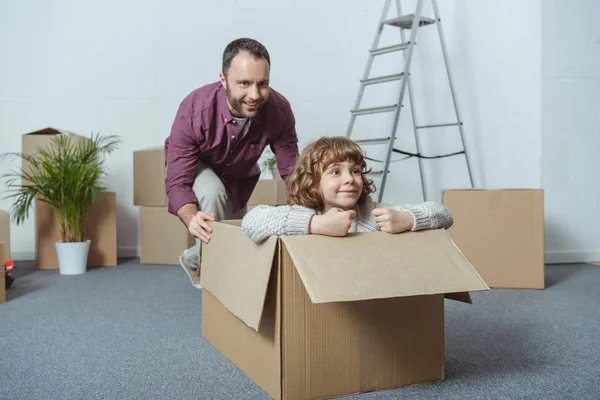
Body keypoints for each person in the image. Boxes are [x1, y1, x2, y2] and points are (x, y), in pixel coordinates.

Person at [164, 38, 299, 272]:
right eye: (244, 83)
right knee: (211, 191)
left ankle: (193, 258)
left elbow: (292, 171)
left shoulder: (279, 110)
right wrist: (190, 217)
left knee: (238, 237)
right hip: (199, 166)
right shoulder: (194, 109)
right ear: (223, 80)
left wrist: (313, 211)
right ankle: (214, 281)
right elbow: (177, 181)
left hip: (238, 175)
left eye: (262, 84)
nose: (254, 95)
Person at [241, 137, 453, 242]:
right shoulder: (305, 214)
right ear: (313, 181)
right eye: (335, 172)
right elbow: (251, 222)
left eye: (356, 171)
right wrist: (315, 224)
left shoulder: (375, 216)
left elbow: (444, 215)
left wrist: (408, 219)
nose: (349, 179)